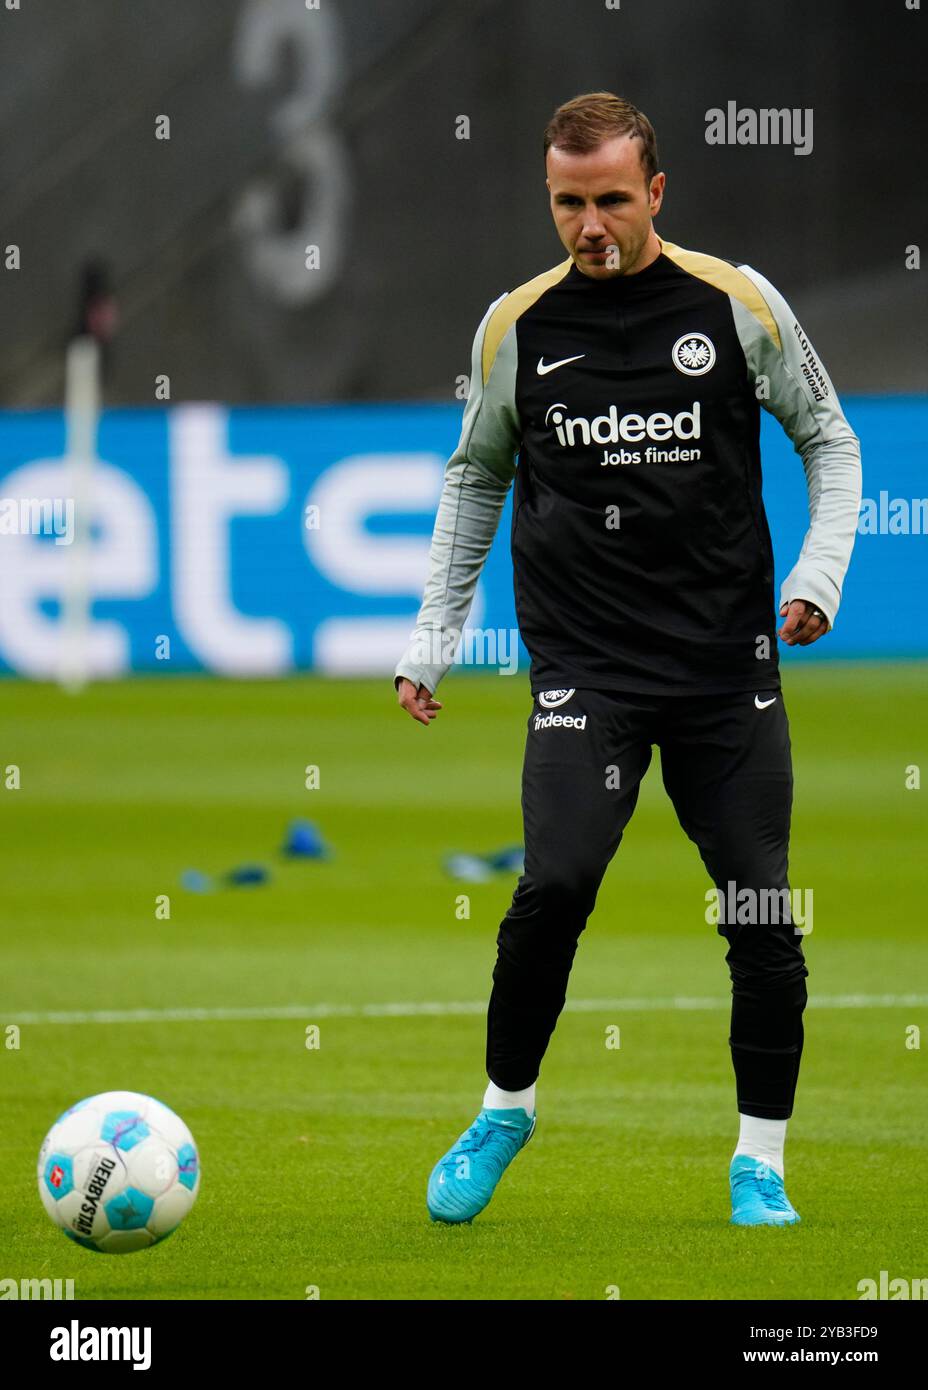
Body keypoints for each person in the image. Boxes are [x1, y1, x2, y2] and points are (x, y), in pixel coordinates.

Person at [394, 92, 861, 1227]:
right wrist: (431, 637)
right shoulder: (515, 325)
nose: (588, 223)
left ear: (655, 191)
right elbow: (474, 476)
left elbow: (829, 441)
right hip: (584, 671)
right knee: (553, 883)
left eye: (609, 198)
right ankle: (505, 1107)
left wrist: (816, 577)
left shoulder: (736, 304)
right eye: (567, 202)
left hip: (721, 670)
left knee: (760, 909)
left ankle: (760, 1163)